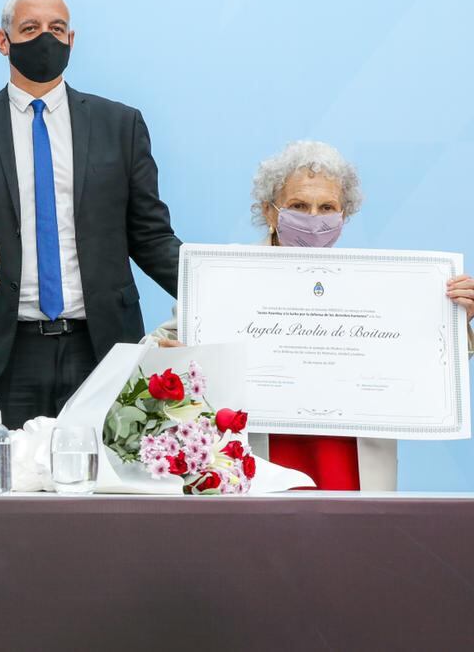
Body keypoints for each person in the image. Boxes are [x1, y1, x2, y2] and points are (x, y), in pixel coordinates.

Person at [0, 0, 182, 445]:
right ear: (4, 41)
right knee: (6, 507)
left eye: (56, 28)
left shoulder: (120, 126)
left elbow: (152, 238)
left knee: (108, 503)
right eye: (30, 28)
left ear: (72, 39)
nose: (45, 37)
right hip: (2, 352)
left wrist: (219, 297)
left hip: (104, 351)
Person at [149, 140, 474, 490]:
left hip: (348, 457)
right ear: (270, 212)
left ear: (344, 216)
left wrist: (459, 320)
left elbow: (418, 361)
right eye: (299, 205)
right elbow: (158, 347)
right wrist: (176, 355)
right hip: (257, 454)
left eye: (328, 207)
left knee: (354, 543)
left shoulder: (377, 286)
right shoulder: (224, 274)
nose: (314, 219)